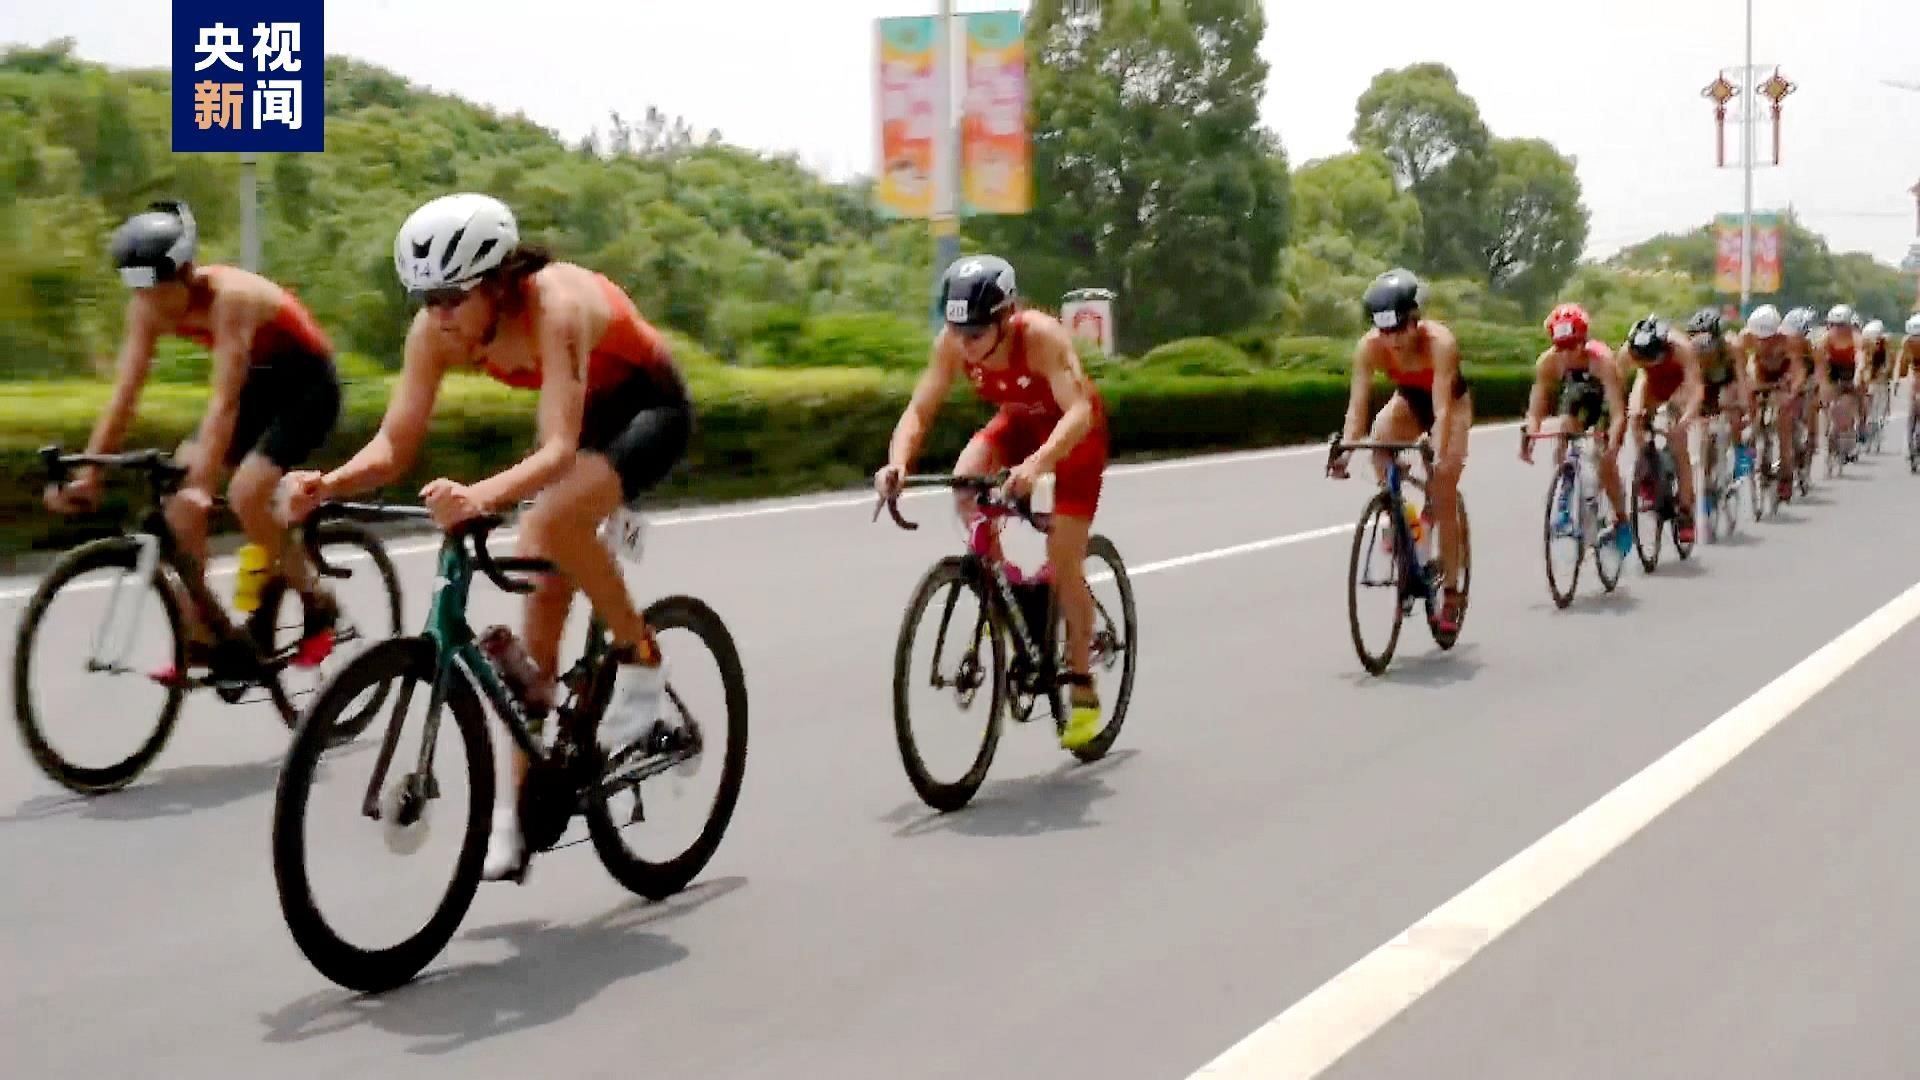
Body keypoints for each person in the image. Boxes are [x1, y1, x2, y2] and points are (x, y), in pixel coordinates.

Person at [277, 192, 695, 883]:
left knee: (549, 520)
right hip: (584, 412)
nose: (439, 314)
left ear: (499, 283)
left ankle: (643, 659)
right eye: (426, 298)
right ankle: (516, 814)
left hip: (648, 407)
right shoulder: (434, 331)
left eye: (452, 297)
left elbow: (558, 449)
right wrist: (328, 482)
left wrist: (478, 496)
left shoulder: (555, 307)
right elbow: (395, 443)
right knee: (537, 622)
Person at [44, 199, 342, 682]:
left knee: (245, 494)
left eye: (157, 290)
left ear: (185, 272)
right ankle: (202, 633)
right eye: (138, 290)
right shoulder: (145, 310)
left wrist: (203, 485)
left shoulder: (231, 299)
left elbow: (224, 402)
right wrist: (90, 474)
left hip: (307, 386)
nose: (149, 303)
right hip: (257, 389)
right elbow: (125, 396)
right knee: (178, 498)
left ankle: (316, 596)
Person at [875, 254, 1110, 751]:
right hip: (1019, 424)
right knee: (966, 483)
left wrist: (1037, 466)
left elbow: (1078, 413)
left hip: (1072, 438)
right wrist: (896, 463)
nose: (965, 344)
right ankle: (1012, 592)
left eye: (977, 333)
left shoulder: (1041, 337)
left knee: (1064, 558)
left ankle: (1082, 685)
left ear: (1007, 317)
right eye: (956, 331)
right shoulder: (954, 342)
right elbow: (920, 408)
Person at [1330, 268, 1470, 634]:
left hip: (1450, 405)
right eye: (1383, 331)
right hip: (1408, 401)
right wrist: (1345, 452)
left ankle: (1451, 591)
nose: (1391, 340)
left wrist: (1438, 449)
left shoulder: (1440, 343)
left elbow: (1442, 409)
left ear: (1415, 320)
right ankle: (1404, 519)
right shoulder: (1369, 347)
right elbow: (1357, 407)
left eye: (1399, 330)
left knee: (1442, 489)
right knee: (1379, 439)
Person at [1520, 302, 1631, 556]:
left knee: (1604, 461)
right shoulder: (1548, 363)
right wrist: (1529, 437)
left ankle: (1621, 518)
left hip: (1604, 400)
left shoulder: (1603, 361)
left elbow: (1617, 414)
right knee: (1564, 425)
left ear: (1584, 341)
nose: (1567, 354)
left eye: (1573, 346)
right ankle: (1566, 487)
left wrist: (1612, 446)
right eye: (1561, 347)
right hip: (1579, 396)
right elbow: (1535, 409)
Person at [1620, 314, 1703, 544]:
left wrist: (1685, 420)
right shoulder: (1628, 353)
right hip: (1649, 383)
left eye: (1652, 358)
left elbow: (1696, 389)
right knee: (1634, 418)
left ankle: (1685, 512)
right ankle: (1648, 470)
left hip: (1679, 384)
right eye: (1641, 359)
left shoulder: (1682, 348)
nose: (1648, 362)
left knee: (1677, 439)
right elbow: (1617, 387)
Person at [1739, 303, 1803, 502]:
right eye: (1759, 338)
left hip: (1783, 374)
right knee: (1749, 399)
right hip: (1761, 371)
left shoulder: (1788, 340)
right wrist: (1745, 391)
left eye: (1768, 338)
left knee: (1784, 424)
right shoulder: (1745, 338)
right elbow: (1740, 370)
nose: (1763, 342)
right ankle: (1750, 446)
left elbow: (1798, 371)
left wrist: (1791, 393)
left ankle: (1786, 476)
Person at [1686, 307, 1755, 483]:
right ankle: (1707, 481)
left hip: (1728, 381)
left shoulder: (1733, 346)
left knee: (1732, 412)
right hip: (1705, 384)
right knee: (1705, 434)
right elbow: (1688, 385)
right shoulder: (1688, 351)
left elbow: (1741, 379)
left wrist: (1745, 408)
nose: (1702, 348)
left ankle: (1741, 454)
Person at [1813, 304, 1864, 463]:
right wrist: (1822, 385)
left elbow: (1860, 359)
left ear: (1849, 325)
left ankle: (1857, 427)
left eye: (1841, 325)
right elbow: (1819, 365)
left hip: (1851, 372)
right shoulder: (1825, 339)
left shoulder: (1856, 338)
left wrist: (1857, 376)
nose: (1837, 329)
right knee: (1826, 400)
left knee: (1852, 400)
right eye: (1833, 325)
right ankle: (1828, 430)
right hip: (1833, 372)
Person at [1861, 319, 1894, 442]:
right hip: (1870, 381)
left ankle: (1879, 422)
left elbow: (1888, 364)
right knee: (1867, 403)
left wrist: (1883, 372)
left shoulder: (1886, 346)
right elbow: (1863, 363)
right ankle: (1864, 426)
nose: (1874, 342)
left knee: (1881, 404)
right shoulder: (1866, 346)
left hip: (1881, 381)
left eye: (1876, 338)